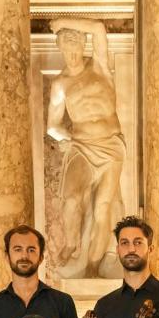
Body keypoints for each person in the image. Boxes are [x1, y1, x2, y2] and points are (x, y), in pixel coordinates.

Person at [45, 18, 126, 279]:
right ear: (60, 50)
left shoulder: (99, 66)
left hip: (110, 146)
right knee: (71, 199)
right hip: (81, 146)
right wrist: (64, 137)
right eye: (66, 50)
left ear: (83, 46)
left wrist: (61, 22)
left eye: (75, 48)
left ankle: (93, 265)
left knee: (103, 207)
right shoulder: (60, 84)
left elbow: (99, 28)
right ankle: (71, 243)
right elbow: (52, 125)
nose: (71, 55)